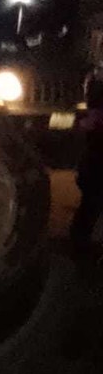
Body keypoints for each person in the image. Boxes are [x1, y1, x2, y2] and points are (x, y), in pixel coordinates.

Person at [70, 68, 103, 254]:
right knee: (93, 200)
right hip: (96, 156)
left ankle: (81, 241)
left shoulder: (94, 76)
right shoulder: (95, 76)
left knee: (92, 200)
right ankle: (81, 243)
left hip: (94, 155)